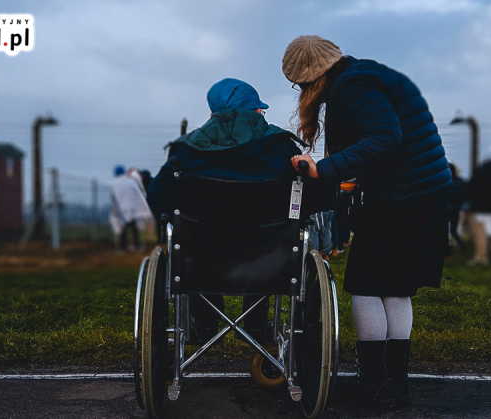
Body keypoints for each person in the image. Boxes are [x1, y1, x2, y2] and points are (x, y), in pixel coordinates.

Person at [283, 35, 451, 404]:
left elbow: (386, 137)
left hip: (401, 194)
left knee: (364, 284)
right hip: (421, 191)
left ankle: (374, 381)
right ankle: (395, 384)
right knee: (394, 286)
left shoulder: (353, 86)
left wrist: (323, 169)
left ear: (313, 77)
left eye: (301, 84)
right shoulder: (366, 75)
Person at [147, 78, 333, 345]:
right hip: (268, 262)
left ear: (213, 113)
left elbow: (157, 199)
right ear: (257, 112)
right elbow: (314, 200)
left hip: (200, 262)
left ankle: (205, 323)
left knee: (197, 243)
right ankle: (256, 326)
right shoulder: (282, 148)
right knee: (265, 241)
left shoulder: (185, 151)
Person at [110, 165, 153, 252]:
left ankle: (122, 247)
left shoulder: (114, 184)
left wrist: (115, 211)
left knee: (124, 229)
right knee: (134, 228)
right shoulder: (130, 182)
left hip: (122, 209)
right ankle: (138, 246)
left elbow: (114, 198)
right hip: (133, 208)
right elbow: (139, 193)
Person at [446, 163, 467, 257]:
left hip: (445, 210)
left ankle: (448, 253)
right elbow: (464, 195)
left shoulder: (443, 181)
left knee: (445, 232)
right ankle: (464, 250)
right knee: (454, 231)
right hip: (456, 210)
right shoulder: (460, 182)